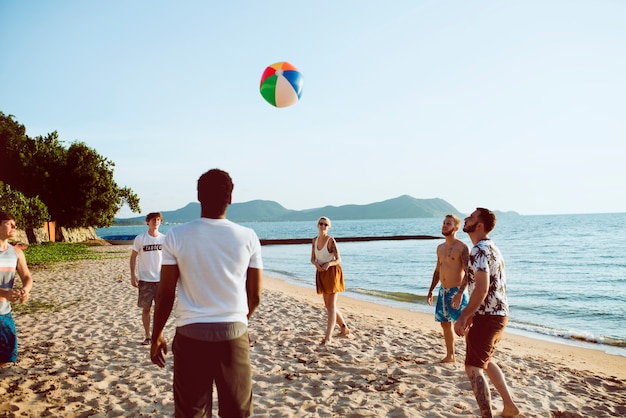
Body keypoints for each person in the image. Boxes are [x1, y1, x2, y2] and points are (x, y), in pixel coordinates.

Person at [150, 169, 263, 418]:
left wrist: (156, 335)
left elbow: (165, 294)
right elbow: (254, 296)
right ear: (230, 198)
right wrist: (240, 321)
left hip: (191, 336)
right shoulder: (248, 237)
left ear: (199, 197)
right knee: (237, 413)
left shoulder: (176, 236)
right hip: (233, 335)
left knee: (192, 412)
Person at [454, 208, 520, 418]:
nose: (466, 218)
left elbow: (482, 288)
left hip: (489, 317)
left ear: (480, 225)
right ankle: (509, 407)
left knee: (473, 368)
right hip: (498, 314)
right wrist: (474, 312)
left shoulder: (478, 250)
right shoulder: (492, 248)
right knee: (485, 361)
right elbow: (491, 289)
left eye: (471, 217)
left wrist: (465, 314)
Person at [426, 214, 469, 363]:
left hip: (456, 291)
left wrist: (460, 293)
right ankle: (451, 355)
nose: (444, 225)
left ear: (456, 228)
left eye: (448, 224)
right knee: (445, 324)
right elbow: (438, 270)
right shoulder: (440, 248)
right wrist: (431, 290)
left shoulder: (462, 247)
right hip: (442, 291)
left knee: (463, 326)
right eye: (444, 223)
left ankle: (471, 356)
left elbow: (468, 273)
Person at [0, 211, 33, 366]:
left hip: (4, 312)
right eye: (9, 223)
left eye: (15, 224)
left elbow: (27, 276)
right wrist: (4, 293)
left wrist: (26, 289)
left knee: (7, 355)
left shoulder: (16, 252)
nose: (14, 227)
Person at [311, 216, 350, 345]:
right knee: (328, 306)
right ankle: (344, 329)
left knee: (331, 306)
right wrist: (316, 265)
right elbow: (312, 258)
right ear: (317, 225)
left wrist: (329, 264)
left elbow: (339, 259)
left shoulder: (331, 240)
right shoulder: (314, 240)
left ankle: (328, 338)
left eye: (325, 225)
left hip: (332, 273)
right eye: (321, 224)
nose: (323, 226)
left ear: (329, 227)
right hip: (321, 273)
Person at [130, 212, 165, 345]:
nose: (155, 222)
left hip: (161, 280)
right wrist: (133, 276)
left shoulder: (164, 239)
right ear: (147, 222)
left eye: (158, 220)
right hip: (145, 280)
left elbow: (170, 259)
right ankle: (147, 336)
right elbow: (133, 257)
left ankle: (158, 335)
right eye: (153, 220)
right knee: (146, 309)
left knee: (160, 310)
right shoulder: (140, 239)